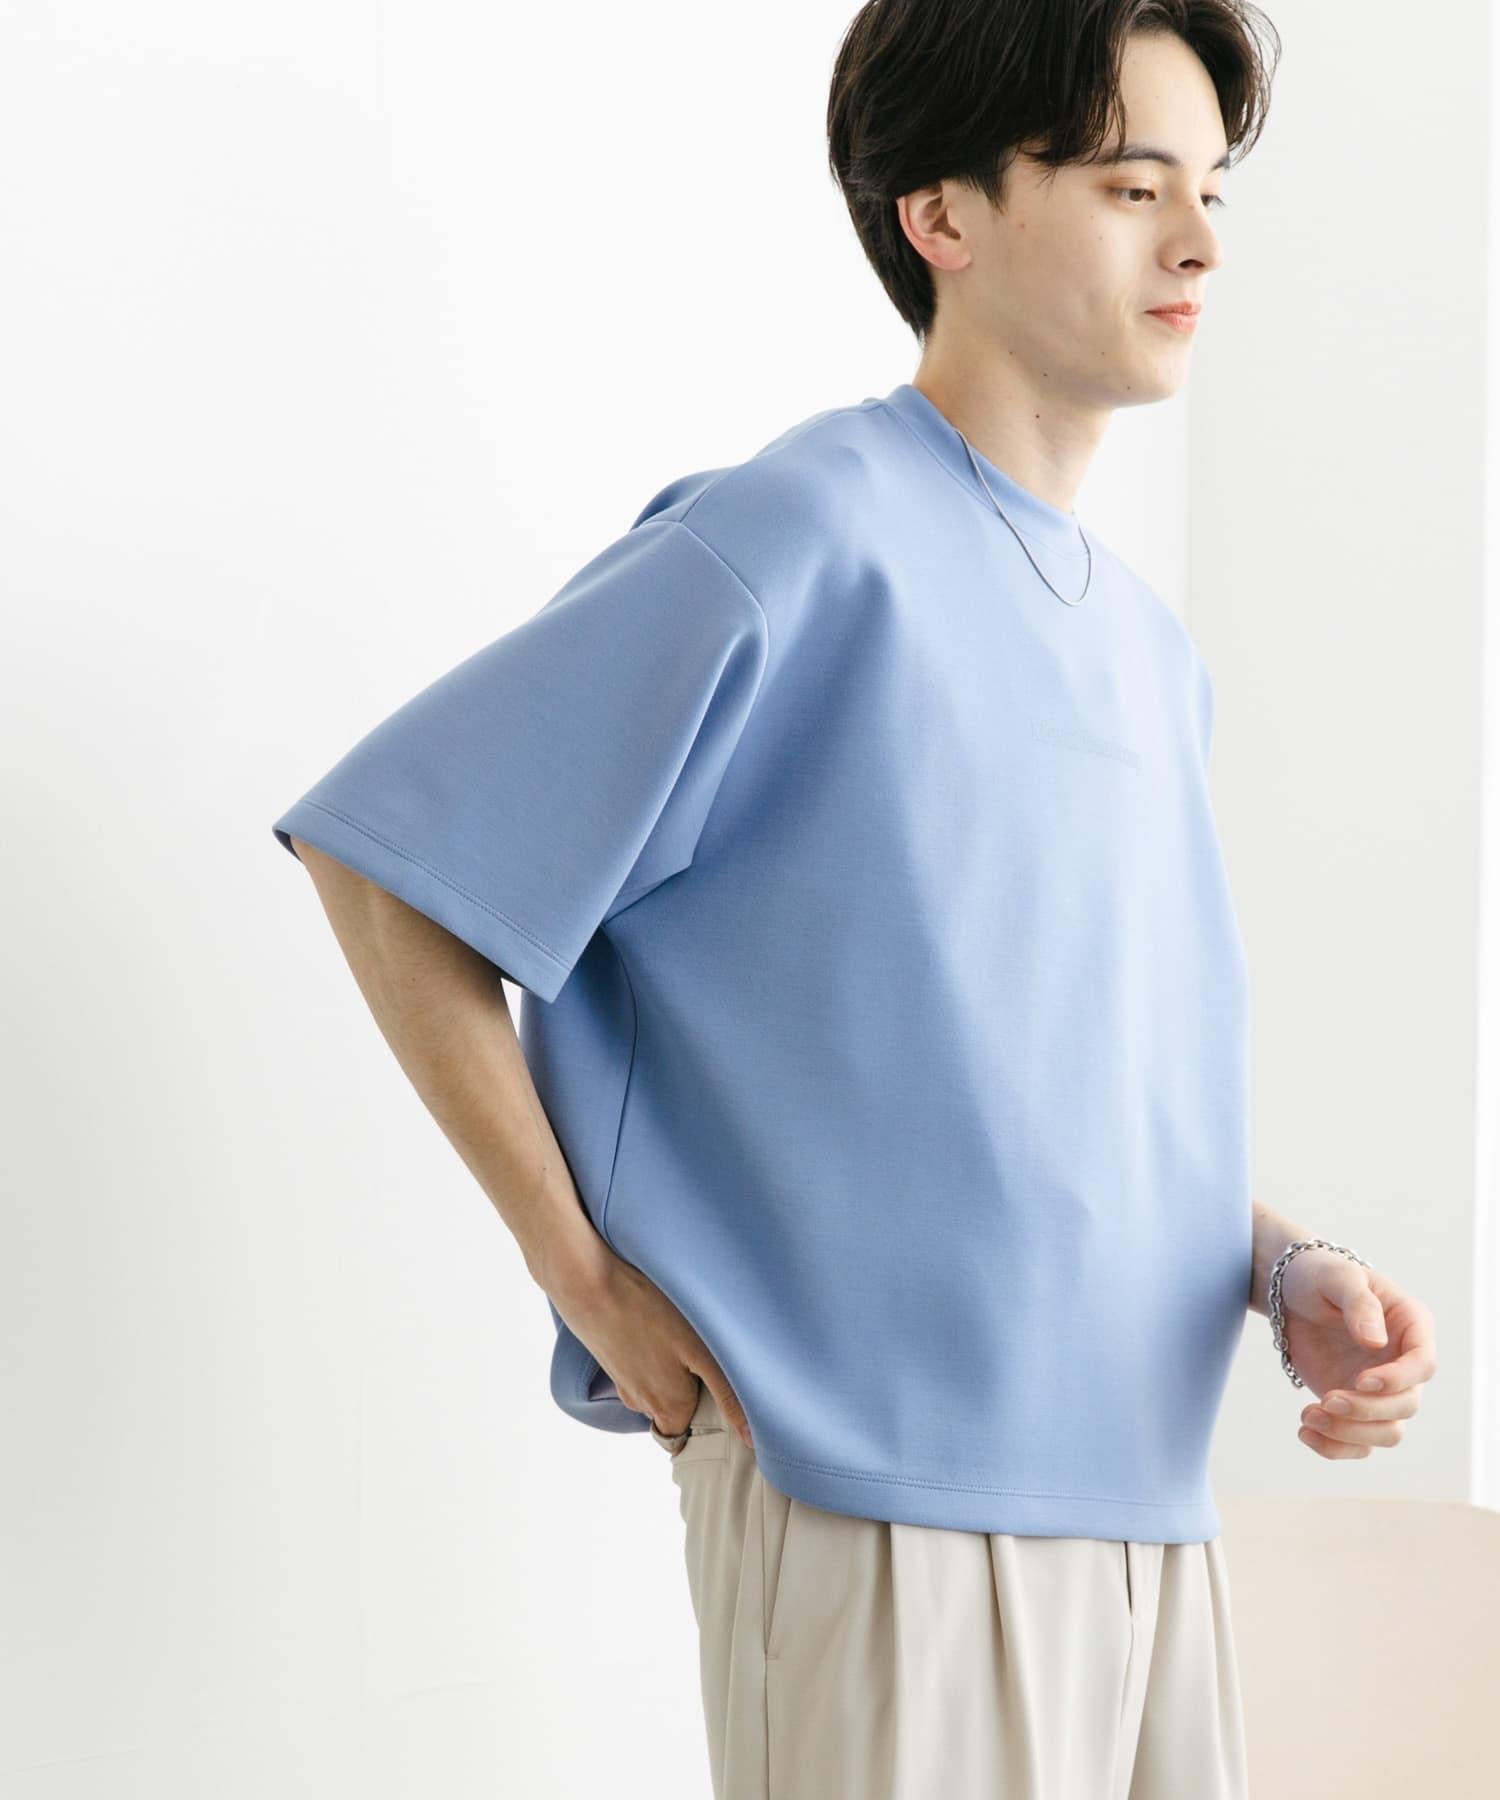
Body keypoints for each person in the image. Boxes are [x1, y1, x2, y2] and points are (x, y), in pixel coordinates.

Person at [271, 4, 1439, 1795]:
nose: (1200, 242)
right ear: (942, 214)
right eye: (1135, 186)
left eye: (1213, 191)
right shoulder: (799, 536)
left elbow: (1053, 1093)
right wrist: (582, 1275)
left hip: (1149, 1508)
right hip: (878, 1498)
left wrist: (1281, 1269)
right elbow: (390, 863)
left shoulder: (1148, 652)